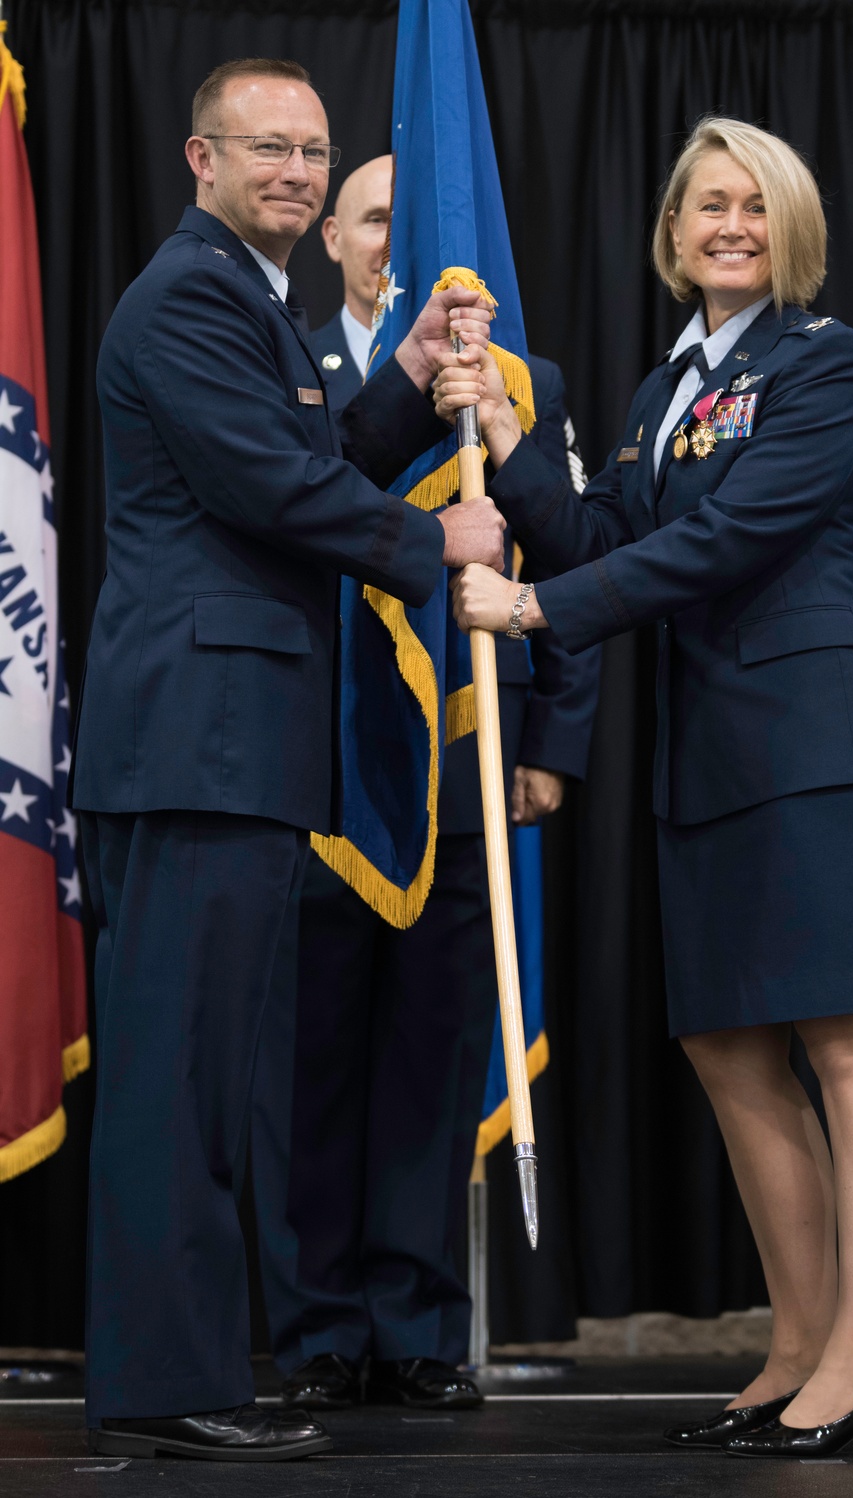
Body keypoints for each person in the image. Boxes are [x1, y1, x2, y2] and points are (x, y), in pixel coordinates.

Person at [437, 116, 853, 1460]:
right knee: (729, 1046)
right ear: (671, 235)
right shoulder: (666, 391)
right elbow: (617, 533)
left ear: (794, 230)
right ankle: (795, 1338)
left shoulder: (823, 363)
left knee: (849, 1039)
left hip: (821, 740)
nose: (730, 225)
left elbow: (727, 540)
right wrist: (511, 433)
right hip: (709, 749)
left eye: (756, 205)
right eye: (706, 206)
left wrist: (539, 607)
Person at [69, 58, 503, 1464]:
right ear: (200, 160)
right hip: (198, 739)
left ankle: (180, 1366)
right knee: (176, 1077)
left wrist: (420, 378)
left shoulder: (260, 305)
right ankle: (162, 1379)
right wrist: (433, 542)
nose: (299, 172)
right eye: (268, 149)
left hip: (234, 745)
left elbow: (321, 446)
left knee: (206, 1072)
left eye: (314, 151)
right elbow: (268, 483)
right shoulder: (190, 294)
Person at [249, 156, 600, 1411]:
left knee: (430, 1060)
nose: (399, 239)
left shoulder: (524, 387)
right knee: (316, 1057)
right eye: (380, 216)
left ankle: (416, 1329)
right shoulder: (283, 360)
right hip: (323, 761)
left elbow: (572, 564)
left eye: (419, 218)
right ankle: (317, 1335)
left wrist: (553, 742)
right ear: (335, 233)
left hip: (462, 762)